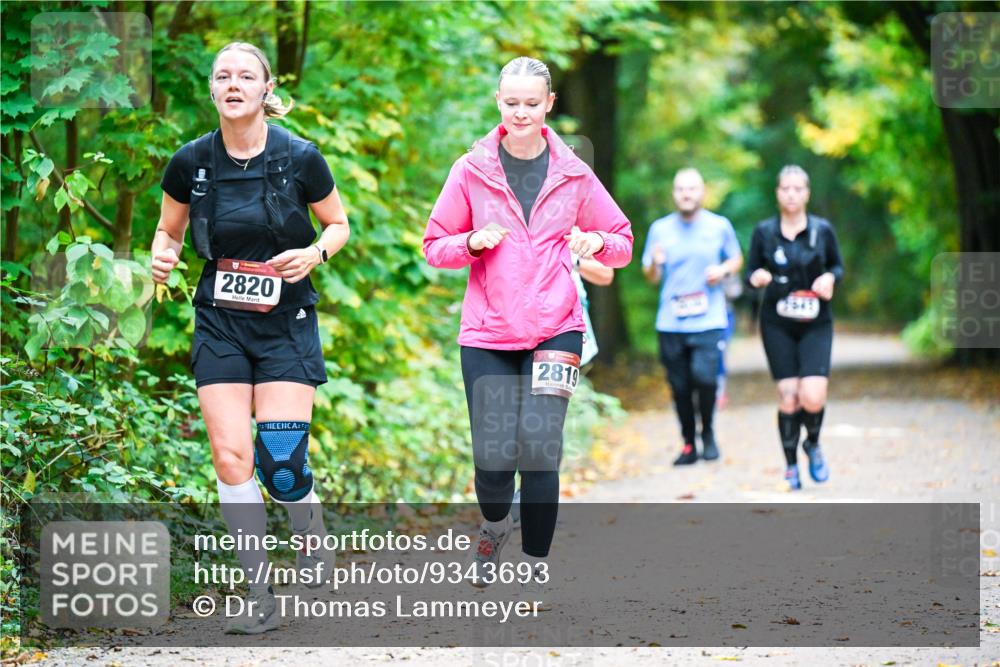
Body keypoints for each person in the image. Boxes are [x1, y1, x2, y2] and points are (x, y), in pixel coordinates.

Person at [150, 42, 349, 634]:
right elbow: (168, 232)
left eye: (245, 76)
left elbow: (338, 225)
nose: (233, 84)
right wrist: (162, 259)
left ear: (267, 90)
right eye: (222, 76)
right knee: (231, 456)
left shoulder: (300, 157)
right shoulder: (190, 162)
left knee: (281, 461)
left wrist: (313, 253)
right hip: (220, 321)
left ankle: (311, 539)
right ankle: (259, 595)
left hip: (285, 319)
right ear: (211, 90)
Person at [423, 56, 632, 602]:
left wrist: (596, 243)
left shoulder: (574, 172)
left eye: (531, 104)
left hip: (556, 329)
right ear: (499, 102)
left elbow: (622, 240)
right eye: (511, 103)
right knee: (494, 464)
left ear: (549, 105)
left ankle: (534, 569)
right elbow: (434, 246)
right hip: (489, 335)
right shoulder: (470, 170)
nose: (521, 113)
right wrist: (470, 243)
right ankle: (494, 526)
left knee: (539, 450)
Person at [746, 165, 843, 491]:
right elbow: (751, 271)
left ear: (807, 193)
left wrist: (829, 278)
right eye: (785, 188)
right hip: (777, 323)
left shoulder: (822, 230)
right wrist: (757, 277)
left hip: (816, 322)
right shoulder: (764, 232)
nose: (791, 194)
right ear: (777, 192)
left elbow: (837, 266)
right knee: (788, 396)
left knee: (812, 396)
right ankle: (790, 466)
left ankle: (812, 443)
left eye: (798, 188)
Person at [641, 168, 743, 465]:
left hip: (709, 319)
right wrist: (654, 265)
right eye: (680, 189)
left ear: (702, 192)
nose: (686, 194)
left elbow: (736, 258)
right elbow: (650, 274)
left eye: (692, 189)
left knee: (705, 379)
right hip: (670, 322)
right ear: (674, 194)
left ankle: (708, 432)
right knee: (681, 386)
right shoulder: (660, 229)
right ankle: (689, 443)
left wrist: (722, 270)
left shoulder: (719, 225)